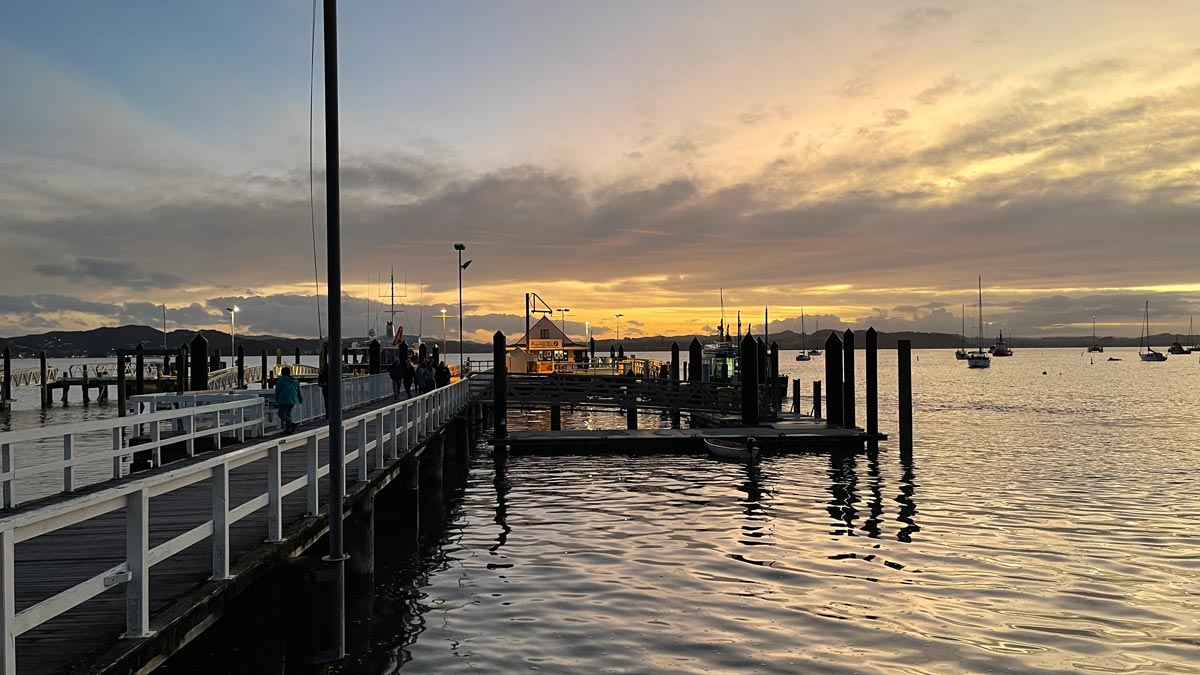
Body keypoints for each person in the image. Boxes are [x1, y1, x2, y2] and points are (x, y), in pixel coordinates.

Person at [275, 366, 303, 434]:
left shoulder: (281, 380)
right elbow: (298, 390)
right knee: (287, 413)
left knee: (281, 414)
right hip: (293, 400)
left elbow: (277, 390)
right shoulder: (295, 380)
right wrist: (300, 399)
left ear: (282, 373)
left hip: (284, 399)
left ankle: (291, 423)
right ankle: (288, 429)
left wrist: (277, 399)